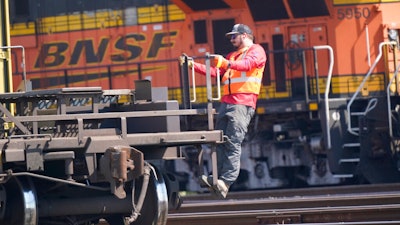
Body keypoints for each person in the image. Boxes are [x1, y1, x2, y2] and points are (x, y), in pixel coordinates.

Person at [180, 23, 267, 198]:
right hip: (226, 102)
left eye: (234, 36)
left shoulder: (257, 51)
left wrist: (227, 63)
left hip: (243, 103)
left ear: (244, 35)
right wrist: (193, 65)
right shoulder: (233, 56)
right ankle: (215, 178)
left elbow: (248, 64)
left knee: (233, 142)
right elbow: (215, 72)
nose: (232, 39)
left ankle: (225, 181)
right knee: (219, 142)